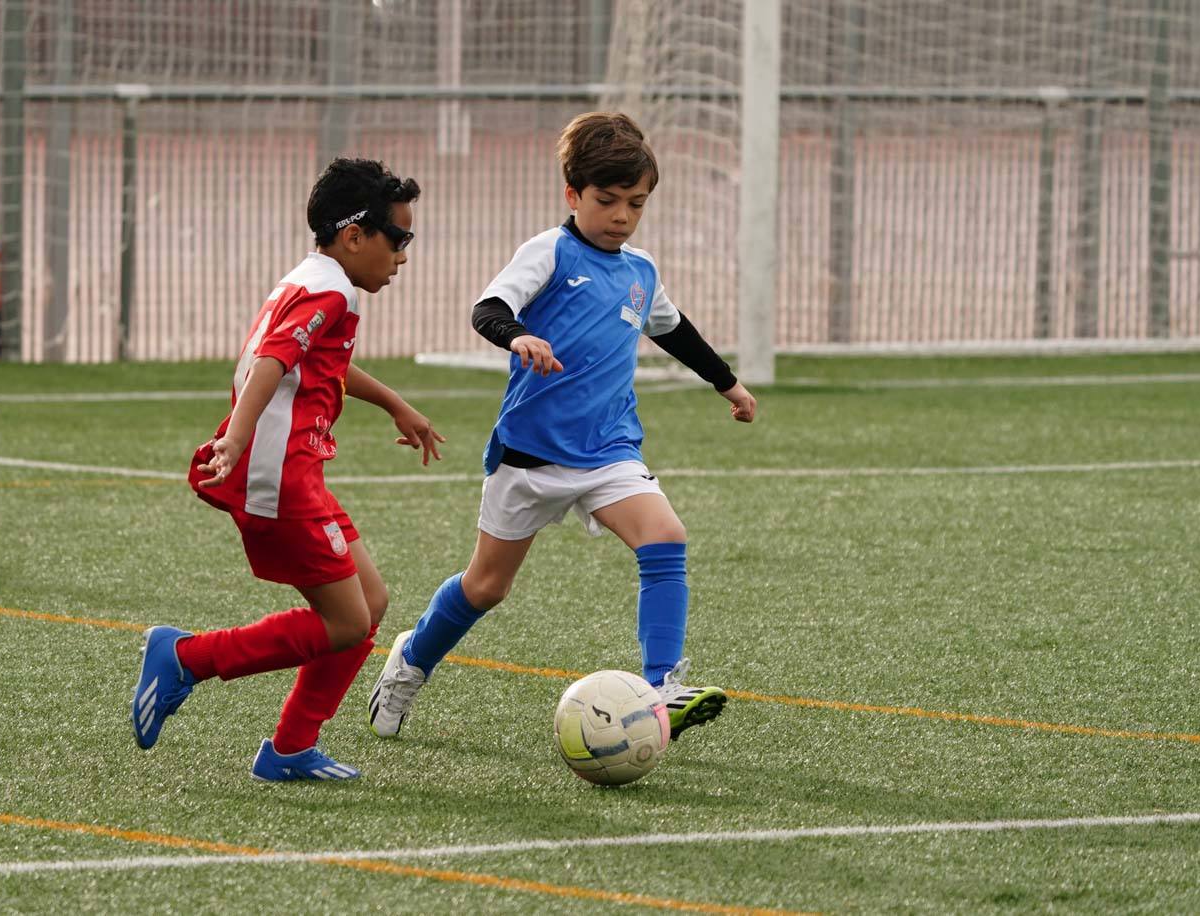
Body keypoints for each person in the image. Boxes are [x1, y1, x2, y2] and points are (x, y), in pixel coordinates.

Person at [367, 112, 756, 742]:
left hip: (609, 450)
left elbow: (673, 329)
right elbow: (488, 307)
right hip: (532, 456)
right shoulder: (549, 250)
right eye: (607, 201)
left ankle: (662, 688)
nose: (622, 216)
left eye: (636, 203)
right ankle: (410, 662)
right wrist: (518, 335)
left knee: (665, 538)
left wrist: (727, 383)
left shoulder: (641, 269)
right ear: (573, 195)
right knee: (485, 587)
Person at [130, 158, 443, 781]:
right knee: (347, 621)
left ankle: (292, 749)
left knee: (370, 602)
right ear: (355, 236)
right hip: (280, 478)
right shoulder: (331, 290)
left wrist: (394, 403)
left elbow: (315, 364)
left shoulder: (316, 280)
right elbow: (274, 359)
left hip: (297, 473)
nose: (404, 255)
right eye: (399, 238)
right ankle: (186, 657)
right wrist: (238, 435)